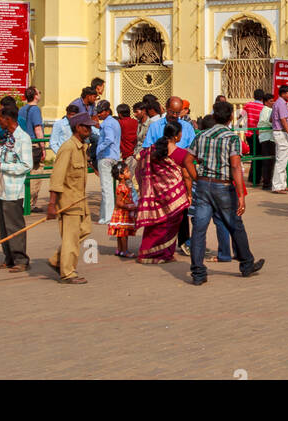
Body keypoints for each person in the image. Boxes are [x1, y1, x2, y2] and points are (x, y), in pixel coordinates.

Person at [187, 101, 266, 285]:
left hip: (204, 185)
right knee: (235, 224)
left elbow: (188, 160)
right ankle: (246, 264)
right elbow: (236, 166)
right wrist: (241, 195)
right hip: (223, 185)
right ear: (231, 117)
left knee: (199, 229)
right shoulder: (231, 138)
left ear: (214, 116)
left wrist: (197, 178)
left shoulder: (202, 136)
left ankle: (198, 273)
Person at [134, 123, 197, 263]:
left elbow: (139, 167)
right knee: (169, 225)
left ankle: (147, 252)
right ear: (176, 136)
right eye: (181, 133)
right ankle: (164, 254)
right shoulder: (181, 154)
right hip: (174, 197)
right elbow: (187, 176)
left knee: (155, 224)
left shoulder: (151, 151)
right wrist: (189, 194)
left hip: (155, 194)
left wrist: (144, 186)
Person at [47, 112, 94, 284]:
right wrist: (52, 204)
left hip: (79, 200)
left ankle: (58, 260)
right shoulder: (67, 147)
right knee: (70, 238)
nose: (89, 130)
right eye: (86, 127)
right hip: (68, 202)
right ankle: (67, 272)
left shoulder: (80, 147)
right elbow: (57, 178)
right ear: (77, 127)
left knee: (85, 229)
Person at [0, 106, 34, 272]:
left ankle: (20, 259)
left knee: (14, 226)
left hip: (13, 189)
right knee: (3, 226)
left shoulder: (22, 138)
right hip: (2, 188)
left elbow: (26, 165)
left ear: (8, 119)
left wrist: (2, 166)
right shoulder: (9, 137)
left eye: (0, 119)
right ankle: (8, 257)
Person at [94, 100, 121, 225]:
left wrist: (99, 149)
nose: (99, 114)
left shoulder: (107, 124)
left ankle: (108, 217)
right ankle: (105, 215)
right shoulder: (114, 122)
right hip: (114, 156)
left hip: (106, 157)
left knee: (107, 188)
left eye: (101, 112)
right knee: (109, 187)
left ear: (107, 111)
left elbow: (109, 139)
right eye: (98, 112)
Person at [108, 162, 139, 259]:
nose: (129, 173)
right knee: (123, 234)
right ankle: (125, 251)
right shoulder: (122, 188)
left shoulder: (124, 186)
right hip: (122, 213)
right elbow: (119, 202)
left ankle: (120, 250)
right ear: (121, 175)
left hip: (122, 213)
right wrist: (129, 206)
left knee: (120, 233)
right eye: (127, 171)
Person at [269, 84, 288, 193]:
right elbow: (283, 121)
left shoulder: (277, 103)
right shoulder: (281, 104)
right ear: (283, 94)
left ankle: (282, 184)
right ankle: (277, 186)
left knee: (283, 159)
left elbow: (271, 119)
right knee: (281, 160)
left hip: (279, 132)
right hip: (281, 132)